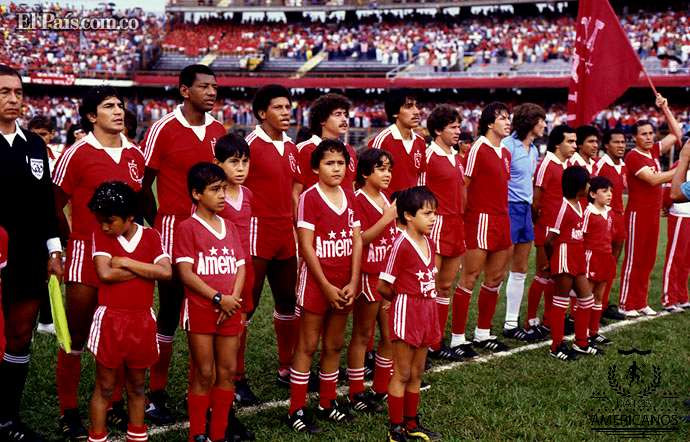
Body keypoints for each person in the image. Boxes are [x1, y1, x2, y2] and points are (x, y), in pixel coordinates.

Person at [52, 85, 146, 439]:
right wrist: (71, 239)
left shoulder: (135, 154)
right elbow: (55, 202)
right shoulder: (76, 153)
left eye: (120, 105)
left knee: (120, 335)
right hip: (84, 259)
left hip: (125, 261)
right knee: (76, 336)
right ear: (92, 116)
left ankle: (114, 405)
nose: (119, 111)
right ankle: (69, 411)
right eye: (109, 106)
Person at [141, 64, 226, 423]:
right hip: (174, 230)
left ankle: (201, 390)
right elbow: (143, 184)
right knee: (171, 312)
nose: (212, 92)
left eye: (214, 87)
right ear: (184, 91)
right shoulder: (162, 128)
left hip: (210, 231)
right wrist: (159, 225)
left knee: (207, 311)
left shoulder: (219, 131)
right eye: (204, 86)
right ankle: (156, 393)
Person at [0, 64, 63, 442]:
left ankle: (7, 419)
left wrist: (53, 251)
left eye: (18, 92)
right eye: (4, 91)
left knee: (20, 337)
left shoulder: (35, 145)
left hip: (26, 257)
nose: (12, 99)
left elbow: (44, 206)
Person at [86, 181, 172, 442]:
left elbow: (166, 272)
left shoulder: (151, 236)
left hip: (142, 320)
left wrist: (126, 262)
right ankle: (96, 437)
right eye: (100, 220)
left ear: (130, 216)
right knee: (105, 387)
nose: (104, 226)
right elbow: (105, 273)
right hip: (110, 318)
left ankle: (137, 436)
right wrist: (145, 269)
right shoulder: (101, 235)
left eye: (109, 221)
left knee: (136, 386)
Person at [289, 140, 362, 433]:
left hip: (345, 282)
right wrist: (326, 286)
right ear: (316, 167)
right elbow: (306, 246)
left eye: (341, 163)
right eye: (329, 163)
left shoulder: (350, 196)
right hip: (318, 283)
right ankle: (296, 409)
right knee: (307, 345)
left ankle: (327, 402)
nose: (336, 168)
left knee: (333, 344)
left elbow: (356, 239)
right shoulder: (310, 197)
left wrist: (354, 280)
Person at [174, 162, 249, 442]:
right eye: (215, 190)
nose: (222, 195)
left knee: (227, 371)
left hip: (230, 310)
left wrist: (232, 300)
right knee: (204, 371)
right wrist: (218, 298)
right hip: (202, 309)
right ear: (196, 194)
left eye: (224, 190)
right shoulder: (187, 227)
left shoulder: (229, 226)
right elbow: (185, 272)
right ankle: (197, 433)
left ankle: (218, 433)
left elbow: (240, 266)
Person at [244, 84, 302, 389]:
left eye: (288, 107)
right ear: (262, 113)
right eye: (278, 107)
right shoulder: (250, 145)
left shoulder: (291, 147)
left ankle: (285, 367)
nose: (285, 112)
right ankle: (237, 377)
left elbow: (295, 190)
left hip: (284, 233)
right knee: (247, 305)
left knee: (287, 301)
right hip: (256, 231)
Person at [378, 186, 442, 442]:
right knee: (402, 373)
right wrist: (400, 300)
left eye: (434, 213)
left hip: (427, 310)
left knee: (417, 373)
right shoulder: (400, 244)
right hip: (407, 310)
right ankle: (395, 431)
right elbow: (383, 285)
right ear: (408, 215)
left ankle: (412, 423)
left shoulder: (430, 242)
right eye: (426, 213)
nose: (432, 218)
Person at [209, 133, 261, 433]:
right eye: (233, 162)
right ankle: (207, 407)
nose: (241, 168)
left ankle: (225, 411)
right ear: (218, 164)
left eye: (245, 162)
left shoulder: (249, 196)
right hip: (218, 277)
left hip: (244, 275)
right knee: (210, 351)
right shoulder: (212, 196)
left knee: (233, 345)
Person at [451, 102, 512, 354]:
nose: (508, 122)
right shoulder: (478, 148)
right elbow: (462, 185)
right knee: (470, 277)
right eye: (503, 118)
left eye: (509, 118)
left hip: (502, 218)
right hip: (481, 219)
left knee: (496, 277)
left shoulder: (505, 152)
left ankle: (483, 333)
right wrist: (467, 216)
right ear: (489, 123)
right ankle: (457, 338)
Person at [618, 94, 679, 317]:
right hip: (637, 214)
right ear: (634, 137)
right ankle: (625, 302)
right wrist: (678, 173)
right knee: (634, 259)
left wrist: (665, 107)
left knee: (648, 259)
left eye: (651, 133)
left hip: (653, 213)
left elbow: (676, 134)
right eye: (643, 134)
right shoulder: (633, 156)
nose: (649, 137)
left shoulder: (653, 151)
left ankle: (640, 301)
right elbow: (653, 180)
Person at [346, 148, 397, 411]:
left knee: (389, 334)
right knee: (363, 334)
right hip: (368, 274)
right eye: (381, 169)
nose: (387, 174)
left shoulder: (386, 198)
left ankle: (380, 386)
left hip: (386, 275)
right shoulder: (358, 199)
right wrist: (387, 218)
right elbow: (361, 239)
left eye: (389, 168)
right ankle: (356, 391)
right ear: (365, 173)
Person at [420, 104, 468, 361]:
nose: (458, 131)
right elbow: (418, 191)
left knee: (446, 287)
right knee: (428, 286)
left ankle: (436, 342)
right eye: (453, 127)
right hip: (436, 224)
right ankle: (423, 340)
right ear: (438, 130)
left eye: (459, 126)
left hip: (455, 225)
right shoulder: (429, 156)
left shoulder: (457, 157)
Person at [545, 166, 603, 361]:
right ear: (579, 185)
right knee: (560, 302)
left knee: (586, 300)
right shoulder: (563, 206)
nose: (589, 185)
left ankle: (581, 342)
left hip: (577, 255)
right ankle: (556, 346)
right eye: (587, 182)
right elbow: (549, 239)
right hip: (564, 255)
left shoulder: (581, 204)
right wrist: (551, 261)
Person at [524, 125, 577, 337]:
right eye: (570, 142)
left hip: (561, 229)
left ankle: (548, 319)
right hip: (546, 228)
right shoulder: (547, 163)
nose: (574, 145)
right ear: (557, 144)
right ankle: (530, 321)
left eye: (575, 142)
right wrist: (539, 224)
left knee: (557, 276)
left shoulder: (568, 165)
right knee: (543, 274)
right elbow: (536, 199)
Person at [501, 103, 545, 342]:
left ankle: (511, 323)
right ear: (530, 121)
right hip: (508, 209)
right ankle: (482, 328)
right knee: (497, 272)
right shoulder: (507, 146)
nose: (545, 125)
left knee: (520, 270)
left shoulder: (534, 150)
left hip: (526, 210)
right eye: (542, 120)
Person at [27, 114, 59, 336]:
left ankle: (47, 320)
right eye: (35, 134)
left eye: (44, 135)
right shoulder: (22, 154)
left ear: (52, 135)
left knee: (49, 270)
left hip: (50, 221)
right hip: (27, 222)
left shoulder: (57, 158)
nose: (39, 138)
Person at [294, 93, 357, 198]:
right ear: (322, 120)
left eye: (345, 114)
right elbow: (295, 194)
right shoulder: (303, 150)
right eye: (338, 114)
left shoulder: (350, 150)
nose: (344, 119)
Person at [594, 129, 628, 320]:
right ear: (606, 145)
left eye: (623, 142)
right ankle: (593, 304)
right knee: (599, 263)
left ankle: (603, 303)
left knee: (612, 264)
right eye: (616, 142)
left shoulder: (623, 167)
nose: (621, 146)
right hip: (604, 218)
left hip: (619, 218)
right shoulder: (600, 165)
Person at [367, 88, 426, 196]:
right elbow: (367, 180)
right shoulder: (381, 141)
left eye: (416, 106)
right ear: (394, 112)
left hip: (412, 208)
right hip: (387, 209)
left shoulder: (420, 142)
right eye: (409, 106)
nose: (417, 111)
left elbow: (421, 177)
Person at [582, 176, 616, 345]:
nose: (609, 194)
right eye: (604, 191)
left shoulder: (609, 212)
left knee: (599, 297)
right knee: (587, 296)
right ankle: (582, 333)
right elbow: (582, 236)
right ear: (593, 194)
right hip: (592, 257)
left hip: (606, 256)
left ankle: (594, 332)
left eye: (610, 191)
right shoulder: (588, 212)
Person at [662, 140, 690, 312]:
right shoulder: (681, 164)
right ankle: (669, 298)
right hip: (680, 214)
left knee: (687, 261)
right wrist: (666, 204)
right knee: (675, 259)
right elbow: (669, 187)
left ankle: (682, 296)